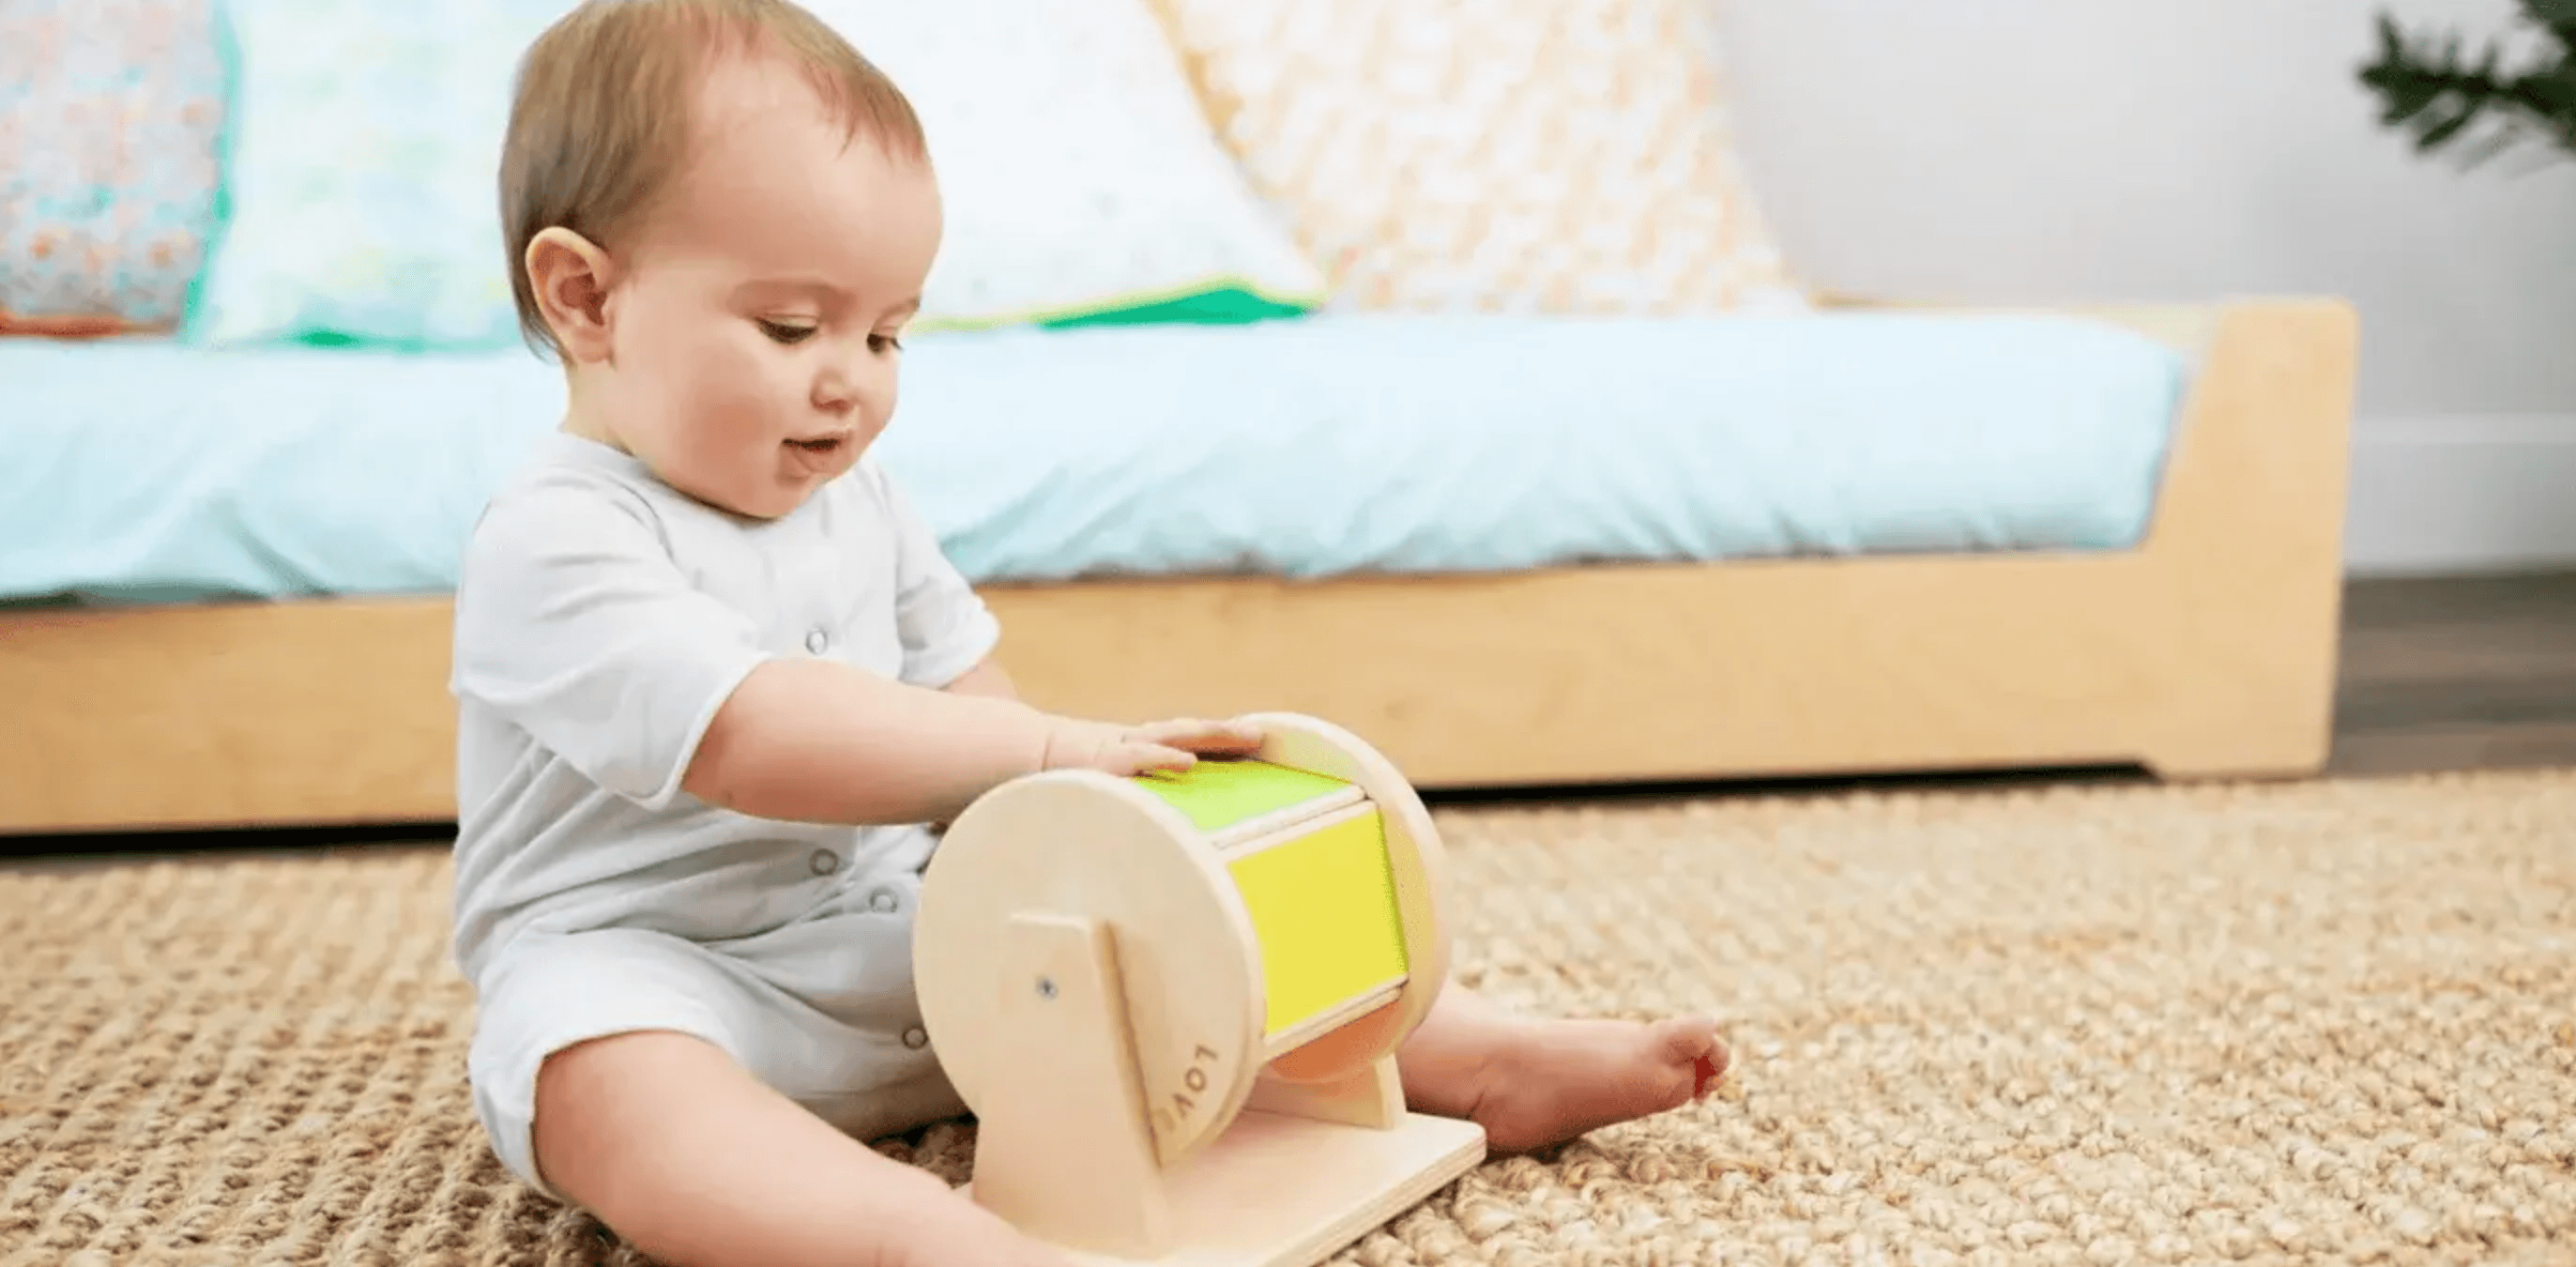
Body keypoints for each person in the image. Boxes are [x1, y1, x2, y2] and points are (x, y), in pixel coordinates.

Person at [446, 2, 1732, 1262]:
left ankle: (1474, 1052)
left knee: (1174, 938)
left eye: (888, 330)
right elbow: (752, 737)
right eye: (791, 326)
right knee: (605, 1084)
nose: (852, 376)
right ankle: (913, 1236)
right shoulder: (555, 540)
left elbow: (967, 696)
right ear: (585, 299)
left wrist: (1093, 846)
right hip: (666, 969)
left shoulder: (864, 502)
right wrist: (1046, 752)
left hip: (906, 940)